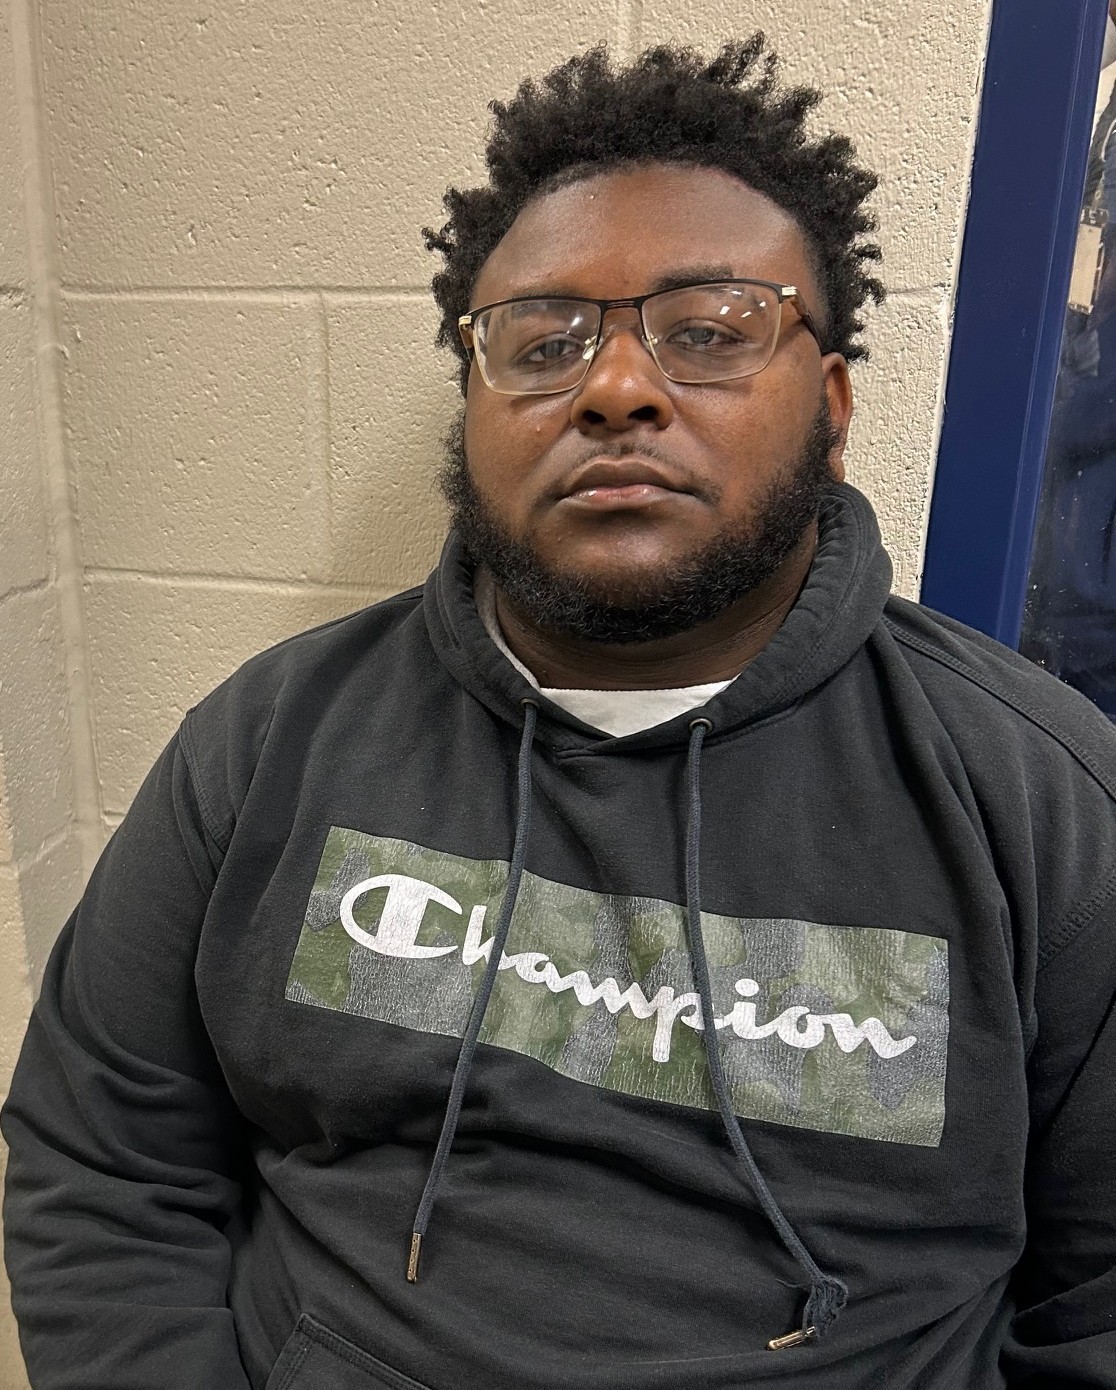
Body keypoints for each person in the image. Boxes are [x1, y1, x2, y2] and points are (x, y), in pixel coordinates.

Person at [3, 38, 1115, 1390]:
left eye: (710, 332)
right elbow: (103, 1161)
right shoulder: (267, 742)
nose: (616, 387)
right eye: (542, 343)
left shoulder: (1043, 801)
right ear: (474, 409)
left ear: (831, 409)